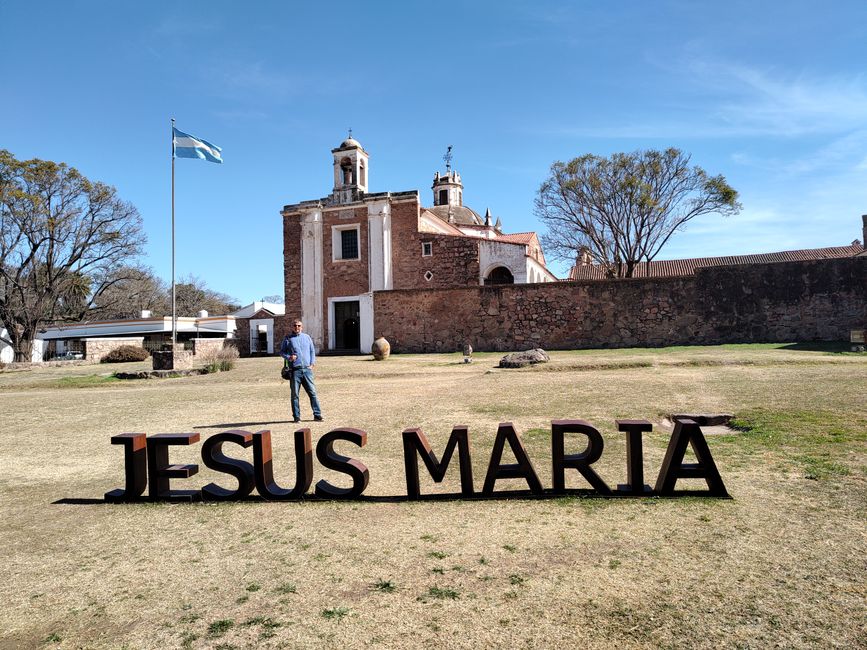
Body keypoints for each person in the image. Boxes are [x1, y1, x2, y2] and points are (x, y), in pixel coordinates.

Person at [280, 319, 323, 423]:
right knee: (295, 395)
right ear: (292, 327)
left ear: (302, 327)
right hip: (295, 371)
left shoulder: (307, 337)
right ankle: (296, 417)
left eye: (299, 326)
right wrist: (289, 357)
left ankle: (317, 415)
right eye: (295, 326)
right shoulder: (288, 339)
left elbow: (312, 350)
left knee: (312, 393)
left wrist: (312, 363)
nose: (297, 327)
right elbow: (282, 352)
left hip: (307, 371)